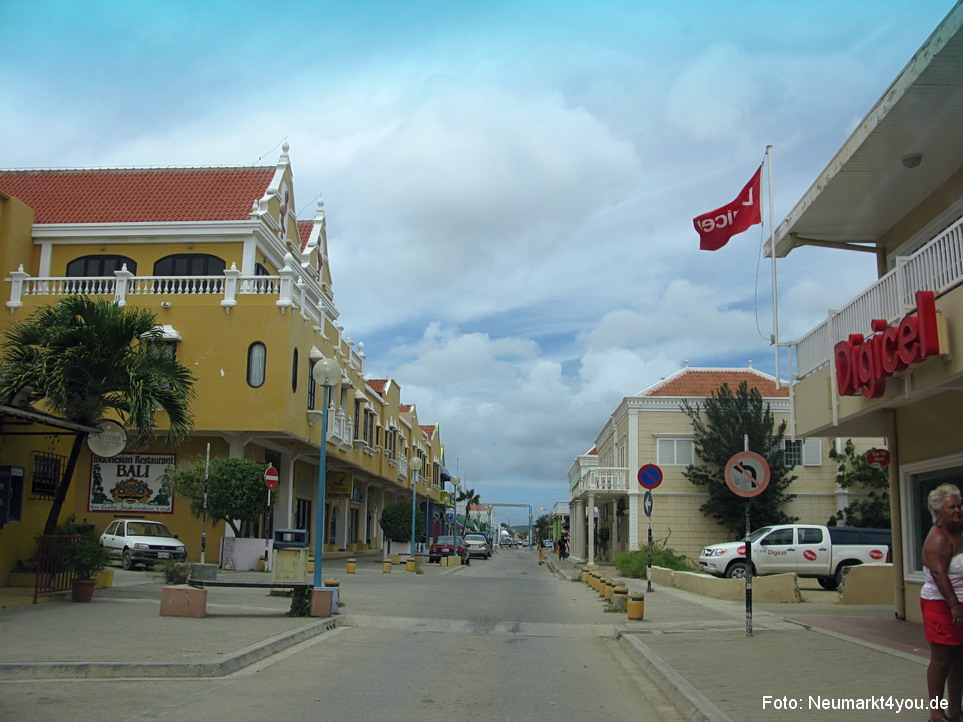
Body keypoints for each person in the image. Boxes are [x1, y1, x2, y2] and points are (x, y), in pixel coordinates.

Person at [921, 483, 963, 722]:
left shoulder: (956, 533)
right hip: (941, 605)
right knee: (943, 659)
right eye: (951, 507)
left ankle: (955, 709)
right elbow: (939, 574)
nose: (957, 510)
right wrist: (955, 606)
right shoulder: (937, 539)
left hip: (960, 604)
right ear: (938, 512)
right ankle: (936, 713)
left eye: (959, 505)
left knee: (960, 659)